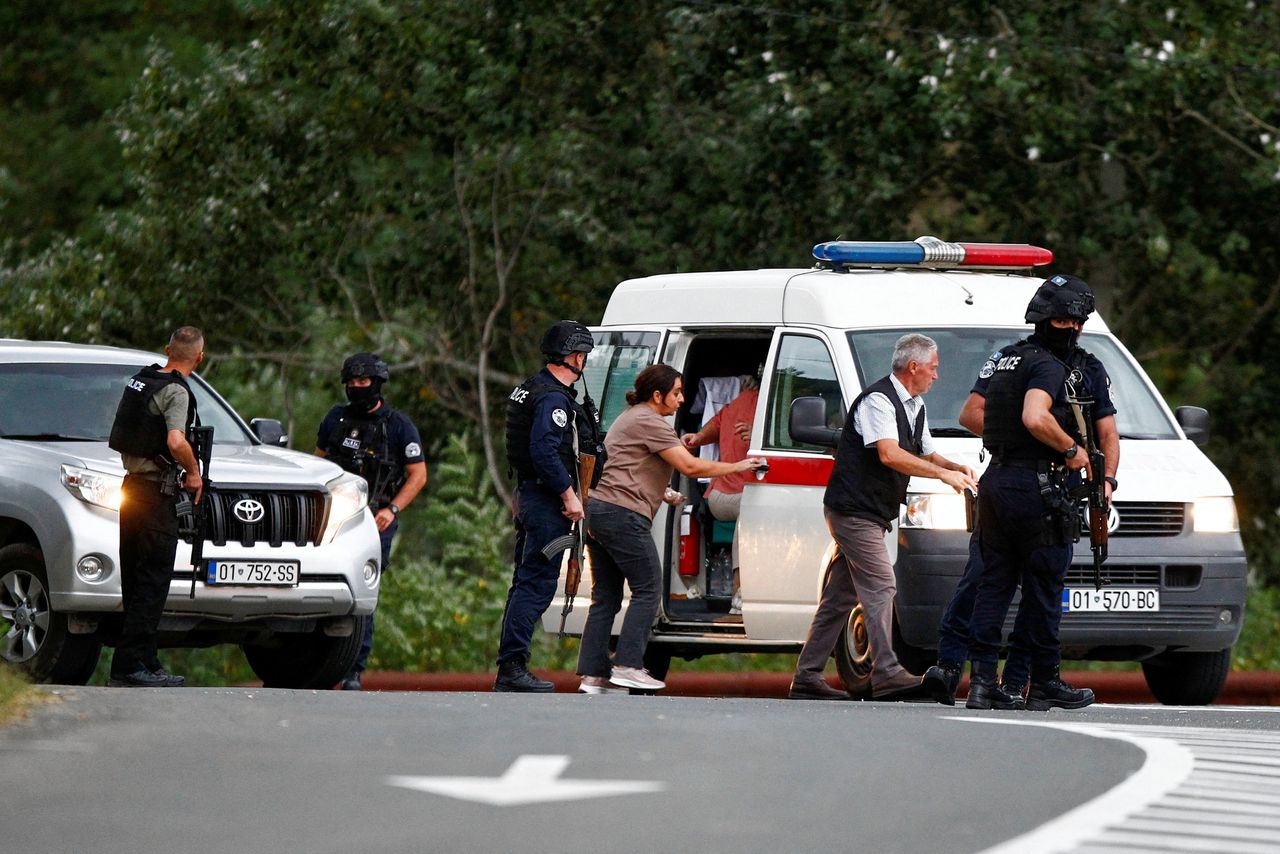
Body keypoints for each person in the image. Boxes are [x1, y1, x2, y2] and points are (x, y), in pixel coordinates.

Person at [923, 319, 1117, 707]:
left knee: (995, 583)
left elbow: (1106, 433)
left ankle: (994, 683)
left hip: (1007, 482)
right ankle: (1008, 677)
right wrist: (1057, 446)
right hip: (1036, 482)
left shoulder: (1067, 365)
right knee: (1032, 586)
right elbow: (1004, 416)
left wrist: (1106, 482)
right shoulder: (1036, 363)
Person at [789, 333, 978, 701]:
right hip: (852, 510)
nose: (936, 376)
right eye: (934, 368)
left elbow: (928, 455)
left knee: (839, 598)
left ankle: (807, 676)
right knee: (882, 584)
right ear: (914, 367)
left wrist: (957, 468)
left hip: (871, 513)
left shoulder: (914, 406)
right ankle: (887, 672)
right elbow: (889, 455)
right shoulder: (879, 401)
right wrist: (941, 476)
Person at [577, 364, 765, 694]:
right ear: (658, 395)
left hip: (600, 511)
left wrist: (661, 491)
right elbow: (690, 466)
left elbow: (626, 465)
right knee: (649, 588)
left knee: (605, 596)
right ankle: (628, 666)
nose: (681, 400)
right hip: (623, 516)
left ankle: (593, 675)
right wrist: (739, 464)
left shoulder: (630, 416)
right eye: (677, 393)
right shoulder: (651, 421)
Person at [496, 320, 603, 692]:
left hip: (531, 495)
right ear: (576, 357)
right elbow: (543, 451)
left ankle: (510, 665)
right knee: (537, 583)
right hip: (546, 502)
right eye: (584, 356)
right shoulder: (554, 399)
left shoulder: (530, 388)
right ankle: (512, 668)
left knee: (524, 582)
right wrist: (569, 495)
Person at [316, 352, 427, 691]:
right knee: (323, 588)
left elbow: (418, 475)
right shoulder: (335, 419)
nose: (356, 388)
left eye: (362, 382)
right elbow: (316, 464)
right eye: (351, 383)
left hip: (373, 518)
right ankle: (317, 664)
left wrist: (391, 510)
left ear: (377, 384)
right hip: (332, 519)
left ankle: (353, 669)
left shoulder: (398, 425)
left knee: (362, 596)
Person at [105, 326, 207, 688]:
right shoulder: (176, 390)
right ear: (199, 357)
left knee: (135, 578)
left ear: (167, 349)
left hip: (130, 488)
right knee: (152, 580)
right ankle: (129, 666)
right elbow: (175, 441)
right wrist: (193, 473)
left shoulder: (141, 380)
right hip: (155, 494)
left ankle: (145, 660)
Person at [680, 375, 759, 614]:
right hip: (730, 494)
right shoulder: (759, 402)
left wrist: (697, 438)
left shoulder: (737, 402)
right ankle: (739, 590)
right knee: (755, 508)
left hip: (719, 495)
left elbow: (715, 425)